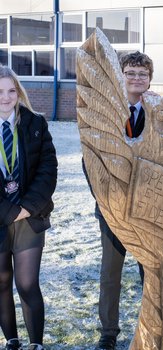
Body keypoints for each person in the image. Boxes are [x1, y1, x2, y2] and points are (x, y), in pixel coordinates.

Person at [83, 51, 154, 350]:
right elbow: (91, 159)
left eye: (143, 74)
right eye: (131, 72)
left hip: (148, 210)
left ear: (150, 79)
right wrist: (106, 199)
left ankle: (150, 326)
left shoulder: (159, 112)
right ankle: (108, 332)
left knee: (149, 273)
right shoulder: (106, 110)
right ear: (120, 75)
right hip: (112, 208)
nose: (137, 78)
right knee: (111, 273)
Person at [0, 66, 57, 350]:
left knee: (26, 283)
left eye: (11, 90)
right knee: (1, 282)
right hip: (0, 217)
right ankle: (12, 340)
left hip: (29, 217)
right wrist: (7, 211)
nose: (6, 97)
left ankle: (36, 344)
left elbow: (48, 169)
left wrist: (26, 207)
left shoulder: (35, 123)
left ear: (18, 92)